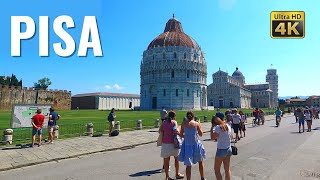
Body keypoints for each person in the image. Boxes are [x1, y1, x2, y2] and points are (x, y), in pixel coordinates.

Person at [178, 111, 206, 180]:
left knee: (188, 164)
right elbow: (201, 134)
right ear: (193, 116)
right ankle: (202, 177)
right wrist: (199, 124)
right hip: (196, 144)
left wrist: (187, 136)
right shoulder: (196, 124)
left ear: (186, 117)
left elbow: (181, 135)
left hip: (187, 144)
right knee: (200, 161)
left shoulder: (183, 124)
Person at [159, 111, 184, 180]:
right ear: (174, 116)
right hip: (173, 143)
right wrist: (182, 135)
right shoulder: (174, 122)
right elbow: (176, 131)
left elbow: (160, 131)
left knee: (166, 161)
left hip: (165, 144)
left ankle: (167, 176)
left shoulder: (164, 122)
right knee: (176, 159)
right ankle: (177, 174)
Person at [211, 116, 232, 180]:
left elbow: (212, 138)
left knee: (216, 170)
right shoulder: (228, 125)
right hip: (228, 148)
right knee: (227, 169)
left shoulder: (218, 127)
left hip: (221, 150)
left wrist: (211, 129)